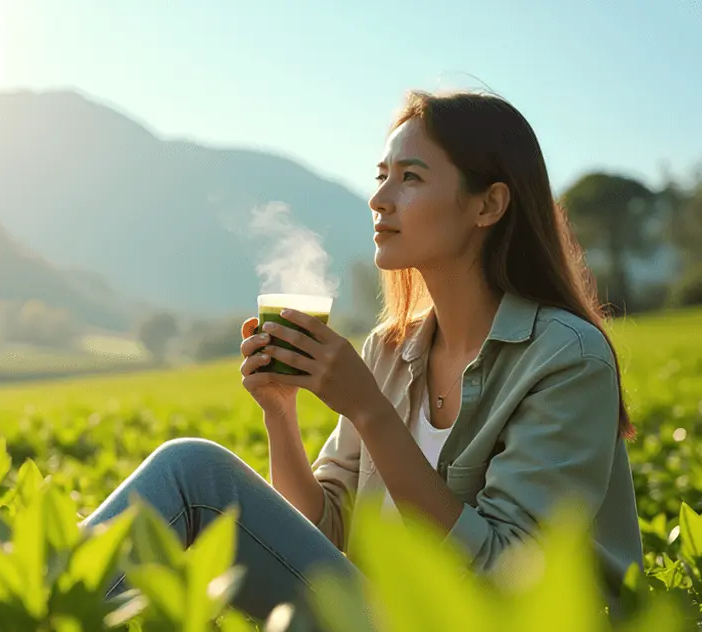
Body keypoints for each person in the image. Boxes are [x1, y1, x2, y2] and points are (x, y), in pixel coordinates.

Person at [77, 89, 644, 628]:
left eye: (410, 178)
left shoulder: (565, 358)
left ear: (488, 204)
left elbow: (508, 582)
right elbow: (321, 534)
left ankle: (36, 603)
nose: (378, 198)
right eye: (381, 177)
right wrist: (280, 411)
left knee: (192, 471)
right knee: (193, 473)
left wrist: (371, 412)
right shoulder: (390, 351)